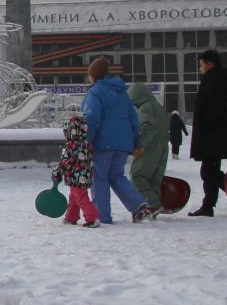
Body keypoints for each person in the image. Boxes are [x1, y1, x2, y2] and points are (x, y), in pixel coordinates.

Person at [81, 55, 148, 224]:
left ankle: (101, 216)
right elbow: (133, 118)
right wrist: (134, 141)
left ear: (94, 75)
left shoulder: (95, 92)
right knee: (117, 175)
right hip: (123, 144)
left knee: (99, 177)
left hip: (103, 143)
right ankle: (138, 205)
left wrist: (86, 140)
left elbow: (91, 118)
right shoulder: (122, 93)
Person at [187, 49, 227, 216]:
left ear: (210, 64)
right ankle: (209, 205)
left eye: (201, 65)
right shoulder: (218, 79)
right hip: (215, 135)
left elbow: (213, 110)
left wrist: (207, 131)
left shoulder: (215, 81)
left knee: (209, 172)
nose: (200, 68)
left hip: (212, 135)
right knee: (209, 171)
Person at [128, 80, 170, 215]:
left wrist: (140, 145)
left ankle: (153, 206)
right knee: (153, 180)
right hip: (163, 146)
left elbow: (147, 128)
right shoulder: (158, 107)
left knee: (138, 176)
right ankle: (155, 206)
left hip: (151, 146)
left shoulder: (145, 108)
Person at [52, 111, 99, 228]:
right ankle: (71, 217)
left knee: (80, 197)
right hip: (85, 175)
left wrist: (57, 172)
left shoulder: (71, 145)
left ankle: (92, 218)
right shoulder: (87, 144)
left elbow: (65, 161)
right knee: (74, 196)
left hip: (75, 176)